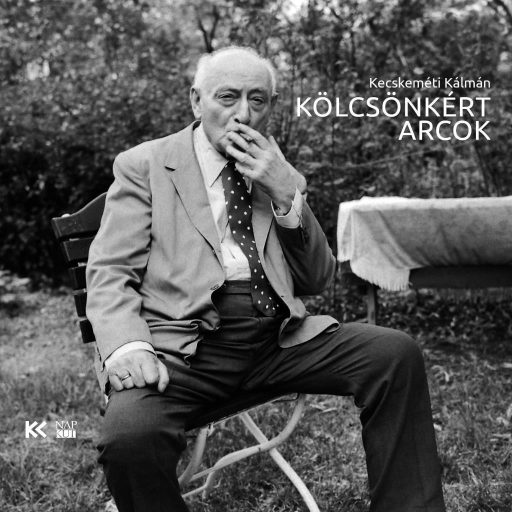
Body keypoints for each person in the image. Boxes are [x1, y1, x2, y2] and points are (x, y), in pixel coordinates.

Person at [86, 46, 446, 512]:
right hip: (184, 349)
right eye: (228, 97)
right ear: (196, 101)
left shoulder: (272, 167)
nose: (243, 114)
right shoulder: (146, 165)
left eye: (257, 100)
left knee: (394, 354)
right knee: (128, 438)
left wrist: (285, 193)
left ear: (272, 106)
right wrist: (128, 346)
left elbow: (317, 277)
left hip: (277, 339)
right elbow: (111, 270)